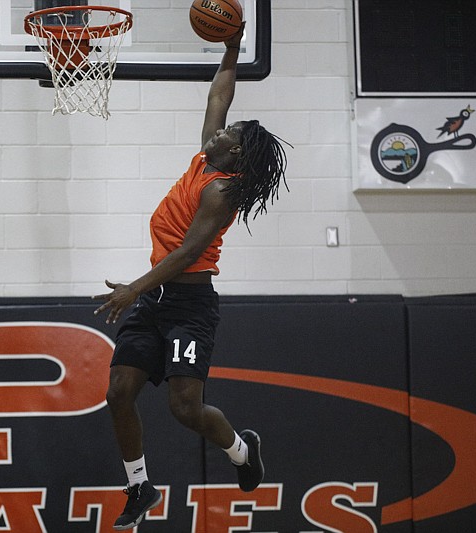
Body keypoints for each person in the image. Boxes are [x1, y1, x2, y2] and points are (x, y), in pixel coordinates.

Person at [92, 23, 290, 531]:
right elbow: (218, 94)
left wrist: (134, 287)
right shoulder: (208, 155)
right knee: (118, 393)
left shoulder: (223, 191)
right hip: (154, 302)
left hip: (187, 307)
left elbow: (186, 253)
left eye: (230, 131)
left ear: (237, 153)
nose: (220, 129)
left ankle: (243, 451)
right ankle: (139, 486)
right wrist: (229, 49)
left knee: (184, 408)